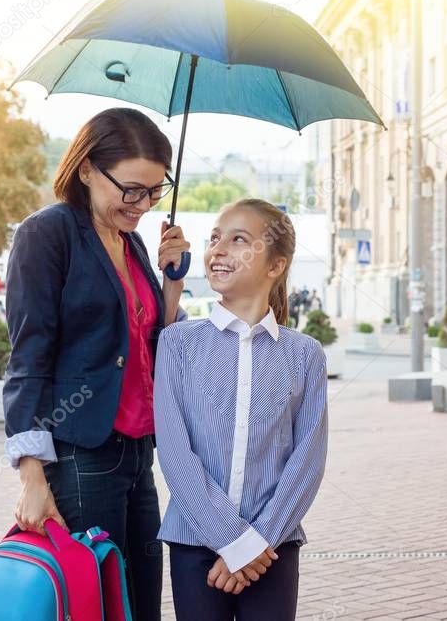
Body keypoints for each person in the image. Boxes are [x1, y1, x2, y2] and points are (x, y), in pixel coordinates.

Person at [3, 107, 191, 621]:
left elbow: (149, 347)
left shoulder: (130, 244)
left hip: (137, 452)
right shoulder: (48, 234)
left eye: (154, 191)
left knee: (142, 601)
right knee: (98, 606)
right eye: (131, 189)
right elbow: (28, 357)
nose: (143, 205)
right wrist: (32, 477)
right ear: (87, 168)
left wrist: (170, 285)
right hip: (81, 454)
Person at [153, 198, 329, 621]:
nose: (219, 249)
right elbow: (175, 455)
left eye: (238, 240)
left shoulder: (305, 355)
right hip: (194, 542)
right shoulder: (177, 344)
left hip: (274, 546)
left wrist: (256, 544)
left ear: (275, 266)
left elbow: (307, 460)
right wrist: (232, 543)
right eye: (215, 238)